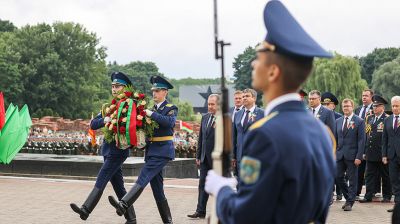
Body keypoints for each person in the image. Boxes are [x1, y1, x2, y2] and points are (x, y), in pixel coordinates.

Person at [204, 1, 336, 223]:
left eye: (259, 57)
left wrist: (223, 191)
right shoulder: (322, 133)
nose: (253, 64)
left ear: (273, 71)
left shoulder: (265, 133)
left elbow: (246, 216)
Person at [108, 75, 178, 224]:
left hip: (163, 152)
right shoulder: (149, 109)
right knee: (157, 190)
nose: (154, 93)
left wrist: (152, 114)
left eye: (157, 90)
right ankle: (168, 221)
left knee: (143, 176)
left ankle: (124, 203)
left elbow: (169, 123)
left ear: (165, 92)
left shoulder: (170, 108)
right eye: (153, 90)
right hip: (152, 151)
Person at [70, 71, 136, 224]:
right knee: (119, 187)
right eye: (112, 86)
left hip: (119, 150)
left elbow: (131, 126)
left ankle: (86, 209)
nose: (114, 89)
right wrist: (105, 119)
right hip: (107, 149)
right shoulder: (109, 106)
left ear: (125, 88)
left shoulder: (129, 105)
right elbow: (93, 124)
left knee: (102, 178)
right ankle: (131, 219)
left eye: (118, 86)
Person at [187, 94, 219, 219]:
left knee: (217, 186)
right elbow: (201, 138)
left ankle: (219, 212)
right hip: (204, 158)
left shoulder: (224, 119)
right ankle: (200, 211)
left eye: (212, 104)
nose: (210, 106)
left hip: (217, 160)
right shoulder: (205, 117)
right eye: (209, 104)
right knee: (202, 185)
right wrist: (198, 155)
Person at [359, 95, 392, 203]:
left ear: (382, 107)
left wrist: (386, 154)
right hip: (371, 151)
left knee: (385, 175)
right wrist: (364, 151)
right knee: (369, 175)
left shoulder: (387, 118)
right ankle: (368, 195)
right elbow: (366, 135)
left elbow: (388, 138)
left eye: (377, 106)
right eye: (373, 106)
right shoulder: (369, 118)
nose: (374, 108)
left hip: (382, 153)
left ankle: (387, 196)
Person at [335, 98, 365, 211]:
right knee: (338, 176)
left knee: (352, 180)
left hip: (353, 156)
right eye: (344, 106)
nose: (346, 108)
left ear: (352, 107)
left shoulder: (359, 121)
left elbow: (361, 140)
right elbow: (336, 138)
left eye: (348, 106)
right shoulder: (338, 121)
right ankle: (348, 197)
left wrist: (359, 156)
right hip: (340, 154)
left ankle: (350, 203)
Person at [232, 88, 264, 177]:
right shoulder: (238, 114)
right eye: (243, 96)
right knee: (240, 184)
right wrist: (233, 156)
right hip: (239, 156)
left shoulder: (262, 113)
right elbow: (234, 136)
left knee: (252, 185)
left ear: (254, 98)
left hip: (255, 156)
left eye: (247, 96)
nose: (244, 98)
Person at [321, 91, 343, 201]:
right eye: (324, 104)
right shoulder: (321, 115)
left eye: (327, 104)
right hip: (325, 147)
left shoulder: (339, 117)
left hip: (337, 147)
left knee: (338, 172)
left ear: (333, 105)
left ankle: (339, 192)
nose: (325, 106)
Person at [355, 89, 374, 197]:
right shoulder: (358, 110)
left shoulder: (374, 108)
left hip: (370, 143)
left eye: (366, 96)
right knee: (358, 169)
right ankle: (356, 192)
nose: (364, 98)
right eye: (363, 95)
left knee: (370, 171)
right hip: (358, 143)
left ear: (371, 97)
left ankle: (370, 193)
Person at [383, 96, 400, 213]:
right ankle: (397, 207)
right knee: (394, 181)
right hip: (392, 156)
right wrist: (384, 155)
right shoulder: (387, 120)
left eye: (397, 106)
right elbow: (384, 139)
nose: (394, 108)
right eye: (393, 106)